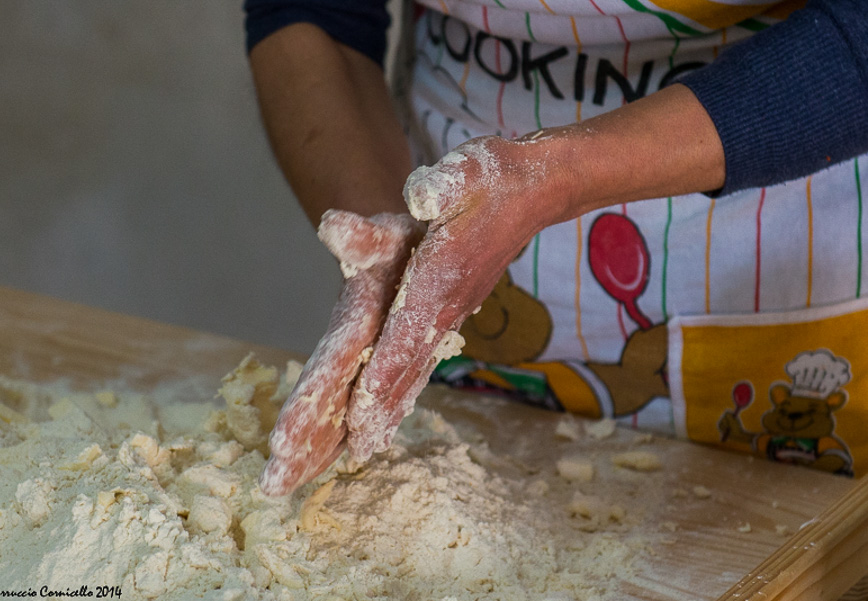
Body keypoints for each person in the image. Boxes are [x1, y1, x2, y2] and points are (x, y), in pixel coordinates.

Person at [245, 0, 868, 495]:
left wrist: (558, 175)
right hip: (470, 251)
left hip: (787, 221)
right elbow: (313, 12)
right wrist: (392, 249)